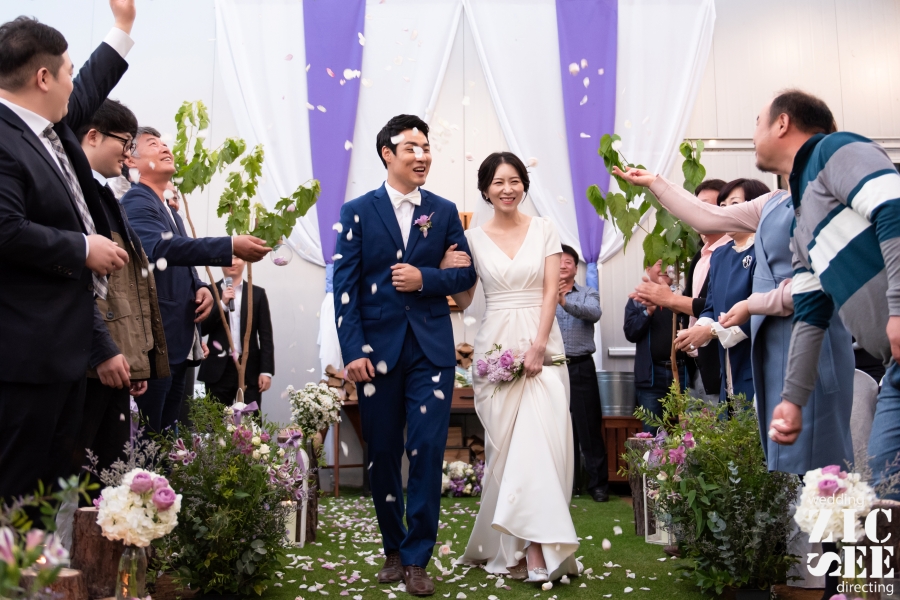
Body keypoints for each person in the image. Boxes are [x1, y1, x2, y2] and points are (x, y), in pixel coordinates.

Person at [614, 127, 855, 477]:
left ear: (785, 125)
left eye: (760, 124)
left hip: (811, 336)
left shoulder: (831, 201)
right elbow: (705, 216)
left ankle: (832, 512)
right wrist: (656, 183)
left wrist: (749, 307)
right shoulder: (771, 205)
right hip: (764, 348)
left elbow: (819, 284)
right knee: (774, 462)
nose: (754, 135)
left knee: (822, 463)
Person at [332, 114, 477, 596]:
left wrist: (424, 278)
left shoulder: (443, 210)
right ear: (387, 154)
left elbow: (466, 275)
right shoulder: (357, 211)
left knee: (428, 450)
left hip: (431, 350)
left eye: (426, 147)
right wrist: (353, 350)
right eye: (412, 147)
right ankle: (392, 548)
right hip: (376, 353)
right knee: (383, 453)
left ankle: (417, 558)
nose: (422, 156)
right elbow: (345, 287)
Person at [0, 4, 136, 502]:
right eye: (68, 74)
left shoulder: (48, 131)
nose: (74, 86)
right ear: (43, 78)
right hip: (23, 358)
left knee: (46, 494)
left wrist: (123, 27)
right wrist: (82, 247)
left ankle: (40, 557)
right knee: (17, 498)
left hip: (61, 352)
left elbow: (93, 85)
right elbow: (5, 229)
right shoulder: (4, 138)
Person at [450, 152, 578, 584]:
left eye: (515, 181)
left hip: (542, 345)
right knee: (507, 451)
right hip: (495, 347)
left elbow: (550, 291)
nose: (507, 189)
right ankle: (516, 546)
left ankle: (539, 546)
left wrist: (539, 345)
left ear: (524, 185)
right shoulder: (472, 238)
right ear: (486, 190)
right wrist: (448, 269)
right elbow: (466, 300)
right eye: (498, 182)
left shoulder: (544, 228)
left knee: (541, 443)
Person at [122, 127, 271, 433]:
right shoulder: (137, 201)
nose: (166, 148)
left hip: (178, 343)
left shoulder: (171, 212)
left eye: (165, 143)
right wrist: (229, 246)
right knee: (150, 439)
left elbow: (182, 264)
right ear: (131, 161)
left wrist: (201, 287)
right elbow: (160, 249)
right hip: (156, 342)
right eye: (153, 144)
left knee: (169, 437)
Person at [73, 99, 170, 483]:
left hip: (113, 360)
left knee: (108, 475)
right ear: (93, 136)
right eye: (125, 143)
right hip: (91, 360)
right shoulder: (78, 194)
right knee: (78, 476)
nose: (128, 155)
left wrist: (135, 358)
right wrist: (105, 351)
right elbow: (85, 290)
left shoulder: (105, 196)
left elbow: (127, 287)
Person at [631, 179, 726, 404]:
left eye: (706, 206)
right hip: (693, 368)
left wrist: (671, 300)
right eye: (696, 206)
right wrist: (661, 302)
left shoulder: (731, 255)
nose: (698, 212)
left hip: (720, 367)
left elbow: (718, 307)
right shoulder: (700, 257)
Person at [555, 244, 608, 503]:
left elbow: (594, 313)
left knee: (589, 427)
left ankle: (598, 485)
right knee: (554, 427)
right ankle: (562, 484)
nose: (563, 265)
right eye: (559, 261)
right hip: (552, 369)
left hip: (580, 367)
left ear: (576, 268)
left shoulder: (588, 293)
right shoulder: (542, 294)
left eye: (568, 261)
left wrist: (564, 302)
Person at [199, 256, 274, 407]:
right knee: (216, 419)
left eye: (237, 258)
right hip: (218, 369)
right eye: (228, 257)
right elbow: (202, 328)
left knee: (250, 418)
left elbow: (265, 335)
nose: (232, 262)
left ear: (245, 261)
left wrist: (266, 371)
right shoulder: (209, 291)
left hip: (249, 369)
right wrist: (222, 304)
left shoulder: (257, 294)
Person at [624, 261, 689, 431]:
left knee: (689, 430)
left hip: (683, 373)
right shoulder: (639, 299)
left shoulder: (683, 296)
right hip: (651, 376)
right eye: (660, 264)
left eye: (669, 263)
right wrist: (648, 312)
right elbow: (630, 333)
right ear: (648, 269)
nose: (666, 269)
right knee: (652, 433)